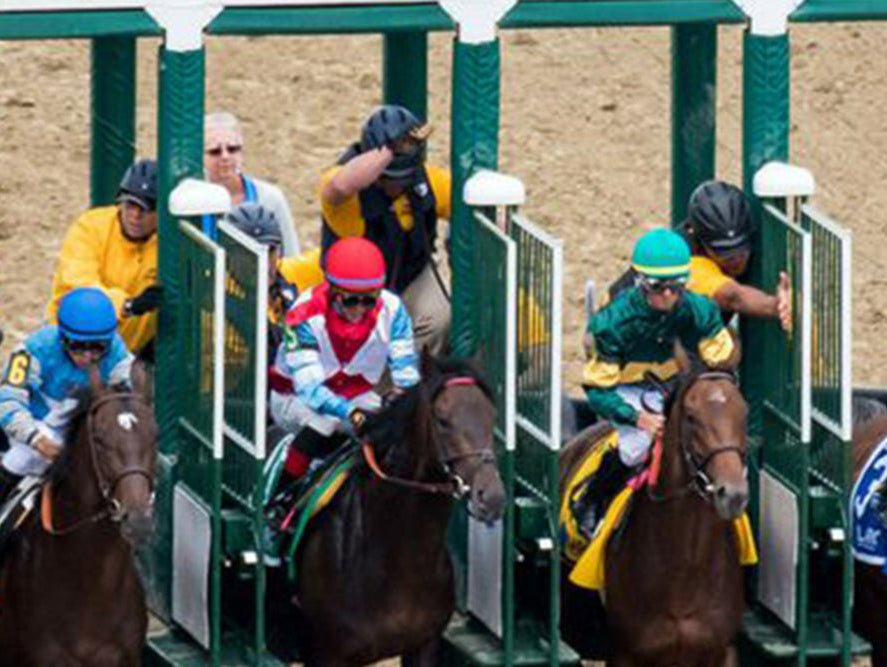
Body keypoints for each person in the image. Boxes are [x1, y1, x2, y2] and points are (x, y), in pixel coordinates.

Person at [572, 228, 736, 538]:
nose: (669, 296)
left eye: (677, 287)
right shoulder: (612, 324)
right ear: (640, 283)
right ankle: (593, 501)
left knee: (717, 439)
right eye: (659, 287)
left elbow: (721, 360)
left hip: (678, 385)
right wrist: (637, 418)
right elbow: (597, 391)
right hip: (626, 390)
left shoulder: (699, 310)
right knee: (636, 448)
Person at [269, 237, 420, 481]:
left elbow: (406, 377)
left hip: (354, 395)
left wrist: (400, 401)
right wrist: (350, 413)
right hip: (294, 397)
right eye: (351, 300)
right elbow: (311, 391)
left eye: (369, 300)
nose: (360, 309)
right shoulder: (303, 314)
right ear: (332, 291)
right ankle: (281, 499)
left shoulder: (394, 311)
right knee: (325, 421)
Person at [318, 105, 450, 355]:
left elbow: (467, 199)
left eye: (404, 179)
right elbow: (339, 187)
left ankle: (408, 382)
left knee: (439, 317)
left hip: (411, 278)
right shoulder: (346, 190)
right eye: (388, 178)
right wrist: (389, 151)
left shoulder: (428, 181)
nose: (396, 186)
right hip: (355, 292)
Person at [0, 288, 134, 503]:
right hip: (31, 428)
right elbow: (7, 400)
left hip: (80, 432)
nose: (88, 357)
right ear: (63, 338)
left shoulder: (119, 356)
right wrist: (36, 439)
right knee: (23, 458)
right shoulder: (35, 348)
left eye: (98, 347)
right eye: (78, 346)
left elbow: (131, 405)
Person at [46, 159, 162, 360]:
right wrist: (127, 306)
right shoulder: (91, 227)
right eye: (131, 205)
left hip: (124, 358)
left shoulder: (167, 244)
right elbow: (81, 287)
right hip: (70, 349)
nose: (135, 215)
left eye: (146, 208)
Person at [684, 180, 791, 330]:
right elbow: (733, 297)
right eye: (724, 254)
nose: (736, 260)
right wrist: (777, 306)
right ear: (702, 244)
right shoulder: (687, 261)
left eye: (741, 250)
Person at [223, 202, 324, 355]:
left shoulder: (290, 272)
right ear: (229, 255)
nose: (261, 261)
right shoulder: (220, 301)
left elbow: (342, 254)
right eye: (249, 254)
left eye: (269, 250)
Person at [204, 111, 300, 256]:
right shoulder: (191, 202)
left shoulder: (270, 198)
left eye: (232, 149)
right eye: (215, 151)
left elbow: (290, 256)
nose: (225, 157)